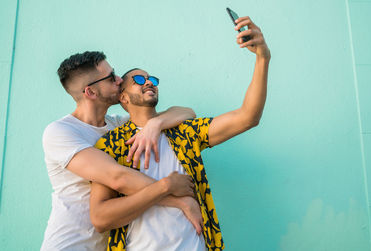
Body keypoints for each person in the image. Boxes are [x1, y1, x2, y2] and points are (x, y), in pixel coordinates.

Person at [91, 16, 271, 251]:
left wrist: (262, 58)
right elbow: (101, 218)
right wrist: (165, 187)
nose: (148, 82)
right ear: (123, 97)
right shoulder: (112, 144)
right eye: (138, 79)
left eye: (151, 79)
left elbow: (248, 117)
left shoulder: (183, 132)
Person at [41, 51, 202, 250]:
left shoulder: (117, 125)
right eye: (111, 78)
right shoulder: (61, 132)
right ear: (90, 92)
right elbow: (118, 177)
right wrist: (179, 199)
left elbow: (186, 113)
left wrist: (155, 124)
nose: (119, 81)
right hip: (70, 243)